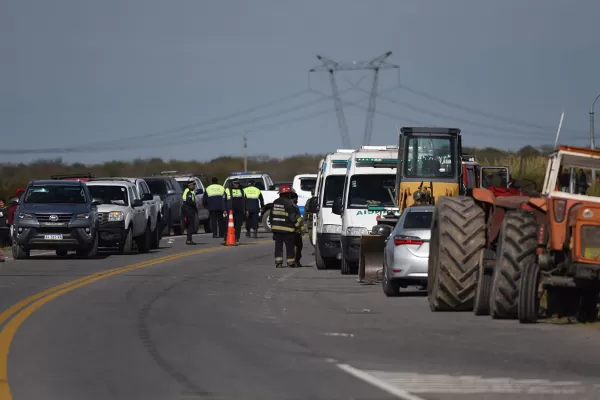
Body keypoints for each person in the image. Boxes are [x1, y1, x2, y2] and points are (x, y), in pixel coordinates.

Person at [269, 184, 302, 268]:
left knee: (278, 246)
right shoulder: (289, 203)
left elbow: (271, 216)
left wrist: (273, 226)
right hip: (288, 230)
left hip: (276, 229)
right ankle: (290, 262)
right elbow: (292, 217)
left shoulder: (275, 202)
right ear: (289, 194)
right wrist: (298, 227)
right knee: (290, 246)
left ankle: (278, 262)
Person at [224, 179, 246, 245]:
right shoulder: (227, 190)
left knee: (238, 226)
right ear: (232, 184)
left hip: (239, 211)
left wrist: (246, 210)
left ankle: (237, 239)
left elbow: (245, 201)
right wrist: (224, 209)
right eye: (235, 183)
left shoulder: (242, 191)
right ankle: (226, 239)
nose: (236, 185)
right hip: (230, 211)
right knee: (228, 225)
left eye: (238, 183)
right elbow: (223, 201)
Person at [290, 189, 305, 267]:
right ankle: (296, 261)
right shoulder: (294, 206)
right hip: (295, 229)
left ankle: (292, 261)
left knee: (291, 246)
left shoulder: (287, 205)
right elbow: (297, 218)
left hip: (289, 229)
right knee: (299, 245)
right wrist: (301, 228)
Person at [181, 180, 198, 245]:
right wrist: (194, 204)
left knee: (190, 225)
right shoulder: (188, 192)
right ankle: (189, 240)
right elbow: (188, 201)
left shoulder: (189, 191)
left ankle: (189, 239)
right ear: (189, 185)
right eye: (193, 185)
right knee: (191, 225)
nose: (194, 186)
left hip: (188, 209)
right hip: (188, 210)